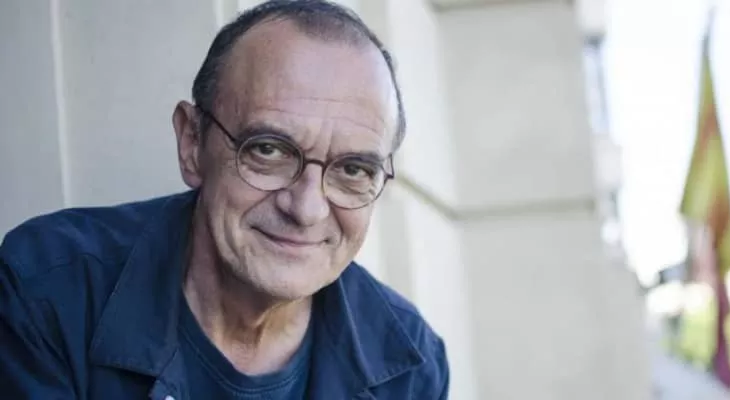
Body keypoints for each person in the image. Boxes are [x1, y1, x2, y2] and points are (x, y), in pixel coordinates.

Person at [0, 1, 449, 399]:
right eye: (268, 150)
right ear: (192, 143)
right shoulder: (48, 291)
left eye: (353, 170)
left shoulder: (409, 364)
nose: (307, 209)